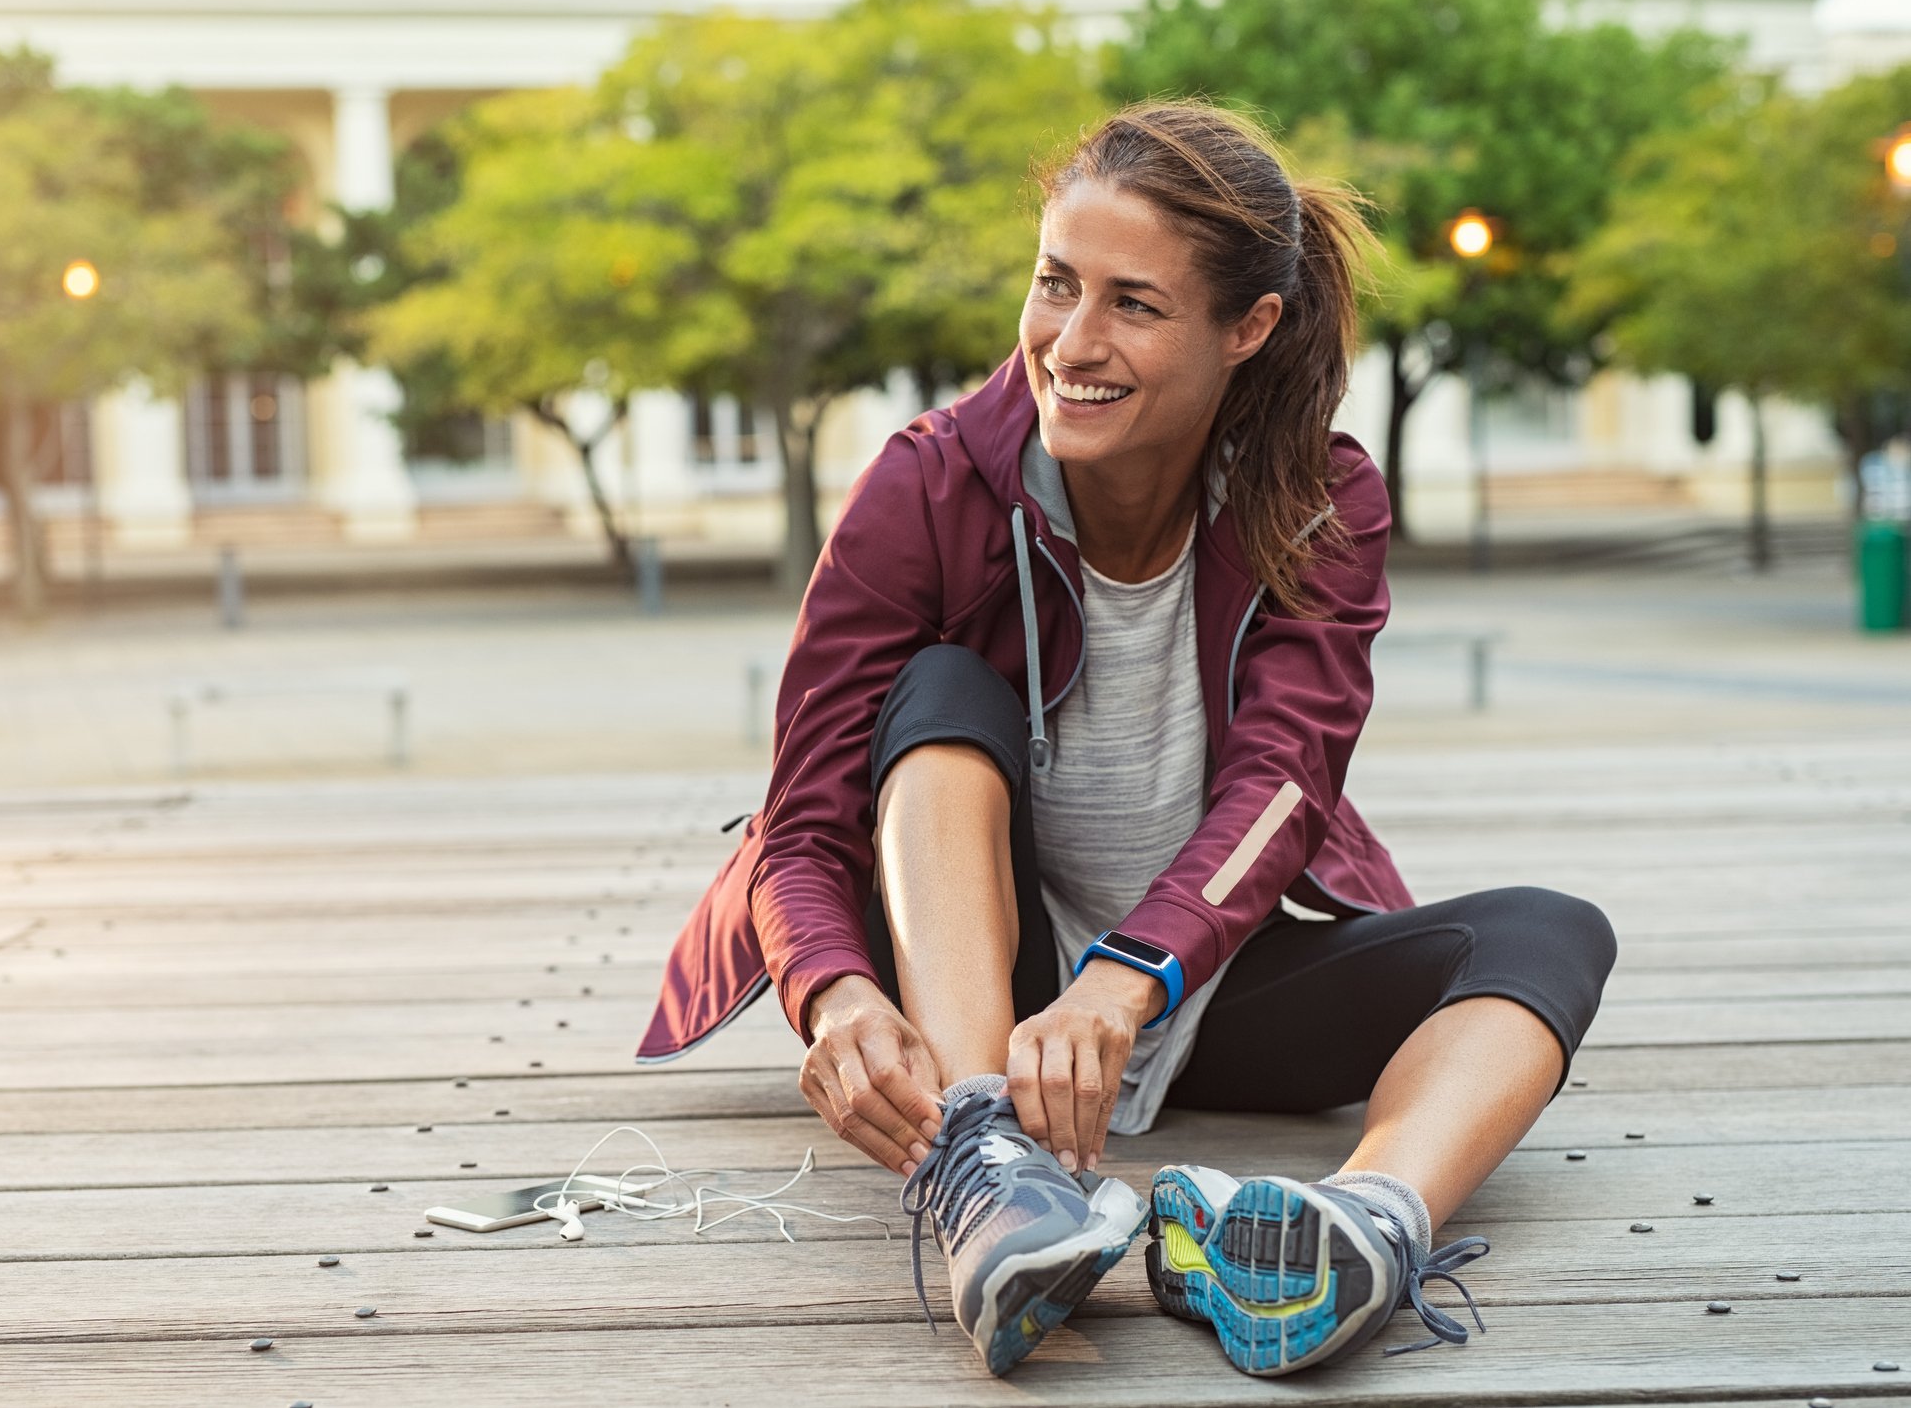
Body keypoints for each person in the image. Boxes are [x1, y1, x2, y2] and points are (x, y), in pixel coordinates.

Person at [639, 100, 1616, 1380]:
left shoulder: (1319, 498)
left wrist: (1129, 976)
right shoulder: (926, 486)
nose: (1071, 342)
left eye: (1133, 305)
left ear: (1246, 329)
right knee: (937, 691)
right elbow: (805, 819)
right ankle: (986, 1169)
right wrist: (835, 992)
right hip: (980, 992)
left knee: (1549, 932)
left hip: (1191, 979)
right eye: (1055, 285)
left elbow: (1285, 785)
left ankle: (1366, 1225)